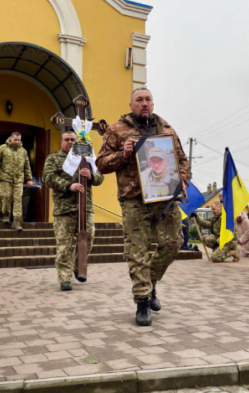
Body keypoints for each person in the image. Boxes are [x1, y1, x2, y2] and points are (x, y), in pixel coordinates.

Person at [96, 87, 188, 326]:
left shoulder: (166, 129)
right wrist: (122, 155)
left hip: (166, 197)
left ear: (153, 104)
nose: (144, 103)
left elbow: (182, 160)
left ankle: (150, 284)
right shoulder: (117, 130)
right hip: (134, 199)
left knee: (173, 243)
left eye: (148, 99)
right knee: (137, 251)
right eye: (139, 100)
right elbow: (101, 164)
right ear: (131, 104)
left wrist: (183, 180)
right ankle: (143, 301)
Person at [43, 131, 104, 291]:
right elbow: (47, 177)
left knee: (88, 237)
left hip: (85, 207)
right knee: (64, 244)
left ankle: (78, 266)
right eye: (66, 140)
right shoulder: (54, 158)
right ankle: (65, 277)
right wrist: (68, 186)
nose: (70, 142)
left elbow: (100, 177)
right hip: (64, 208)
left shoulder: (86, 157)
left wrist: (90, 175)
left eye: (72, 140)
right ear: (61, 141)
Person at [0, 132, 33, 231]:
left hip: (18, 179)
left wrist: (29, 179)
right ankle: (6, 215)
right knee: (5, 197)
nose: (17, 142)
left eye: (19, 140)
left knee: (18, 199)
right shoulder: (2, 148)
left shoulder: (23, 151)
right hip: (5, 178)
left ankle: (16, 222)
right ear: (11, 138)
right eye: (15, 140)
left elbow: (27, 165)